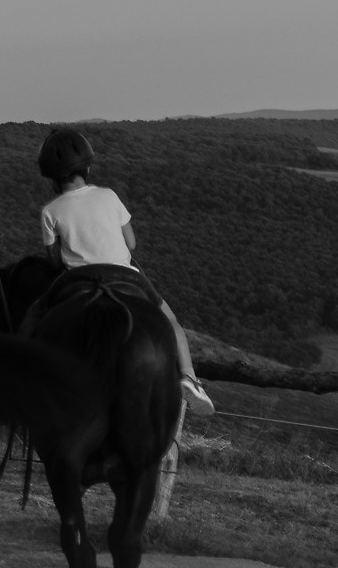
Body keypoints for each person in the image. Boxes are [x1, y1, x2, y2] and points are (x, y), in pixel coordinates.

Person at [35, 127, 216, 416]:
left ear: (51, 178)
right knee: (171, 322)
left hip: (79, 280)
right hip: (124, 274)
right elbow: (131, 242)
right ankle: (189, 378)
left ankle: (30, 377)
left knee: (37, 317)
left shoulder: (50, 211)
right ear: (88, 167)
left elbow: (54, 263)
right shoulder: (109, 196)